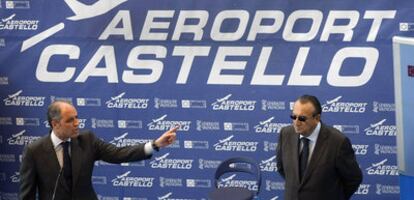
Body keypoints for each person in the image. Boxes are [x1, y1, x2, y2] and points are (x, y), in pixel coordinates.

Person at [19, 100, 178, 200]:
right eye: (70, 120)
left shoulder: (87, 140)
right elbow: (27, 194)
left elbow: (119, 154)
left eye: (77, 117)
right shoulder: (34, 151)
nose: (77, 123)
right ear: (55, 124)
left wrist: (155, 144)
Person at [276, 95, 362, 200]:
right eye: (294, 116)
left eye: (302, 118)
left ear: (317, 118)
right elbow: (282, 168)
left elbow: (353, 179)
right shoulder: (285, 134)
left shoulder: (338, 142)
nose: (296, 122)